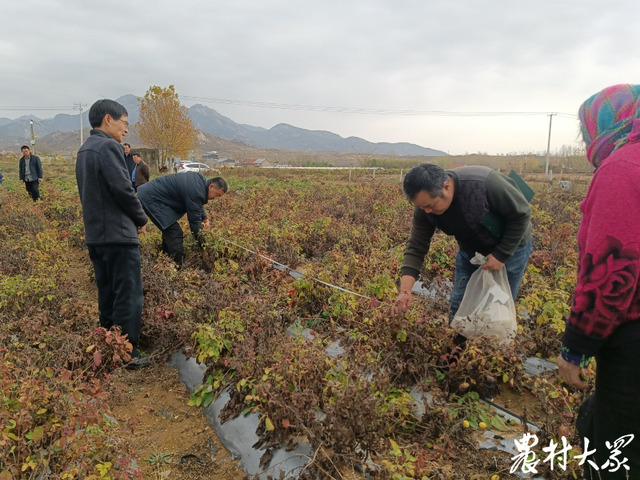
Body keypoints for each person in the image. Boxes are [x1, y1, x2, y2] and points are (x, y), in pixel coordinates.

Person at [557, 84, 640, 478]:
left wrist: (575, 349)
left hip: (634, 339)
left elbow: (610, 272)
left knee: (616, 453)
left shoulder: (622, 168)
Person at [393, 163, 532, 317]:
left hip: (511, 247)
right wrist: (405, 290)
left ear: (446, 187)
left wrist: (502, 254)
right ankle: (460, 338)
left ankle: (493, 338)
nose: (427, 211)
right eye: (422, 207)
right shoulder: (425, 208)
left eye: (430, 205)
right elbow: (416, 246)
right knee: (460, 303)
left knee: (499, 304)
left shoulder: (484, 184)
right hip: (471, 252)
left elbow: (522, 214)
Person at [76, 99, 150, 369]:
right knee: (128, 294)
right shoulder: (109, 146)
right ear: (108, 119)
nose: (126, 130)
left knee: (107, 291)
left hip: (96, 235)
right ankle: (127, 353)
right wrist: (140, 218)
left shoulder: (85, 149)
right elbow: (122, 189)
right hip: (118, 235)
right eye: (125, 123)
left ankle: (108, 345)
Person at [137, 172, 227, 266]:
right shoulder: (196, 191)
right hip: (152, 199)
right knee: (174, 232)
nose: (216, 198)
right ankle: (176, 265)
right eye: (217, 195)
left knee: (170, 230)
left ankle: (166, 258)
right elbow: (195, 223)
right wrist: (203, 246)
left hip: (152, 195)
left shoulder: (200, 182)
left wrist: (205, 219)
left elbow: (197, 203)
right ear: (211, 186)